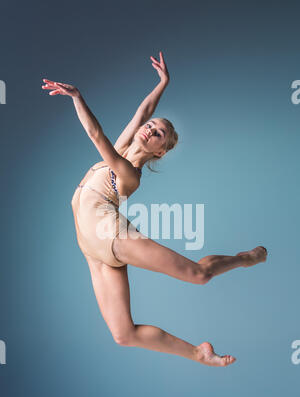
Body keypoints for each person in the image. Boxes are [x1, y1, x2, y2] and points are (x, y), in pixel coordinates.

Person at [41, 51, 267, 367]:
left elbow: (95, 135)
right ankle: (196, 352)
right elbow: (144, 110)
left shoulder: (129, 173)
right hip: (91, 251)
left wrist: (77, 96)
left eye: (158, 133)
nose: (150, 128)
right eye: (151, 126)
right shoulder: (123, 146)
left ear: (159, 151)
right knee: (123, 334)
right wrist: (163, 83)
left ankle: (246, 258)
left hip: (111, 236)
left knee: (199, 275)